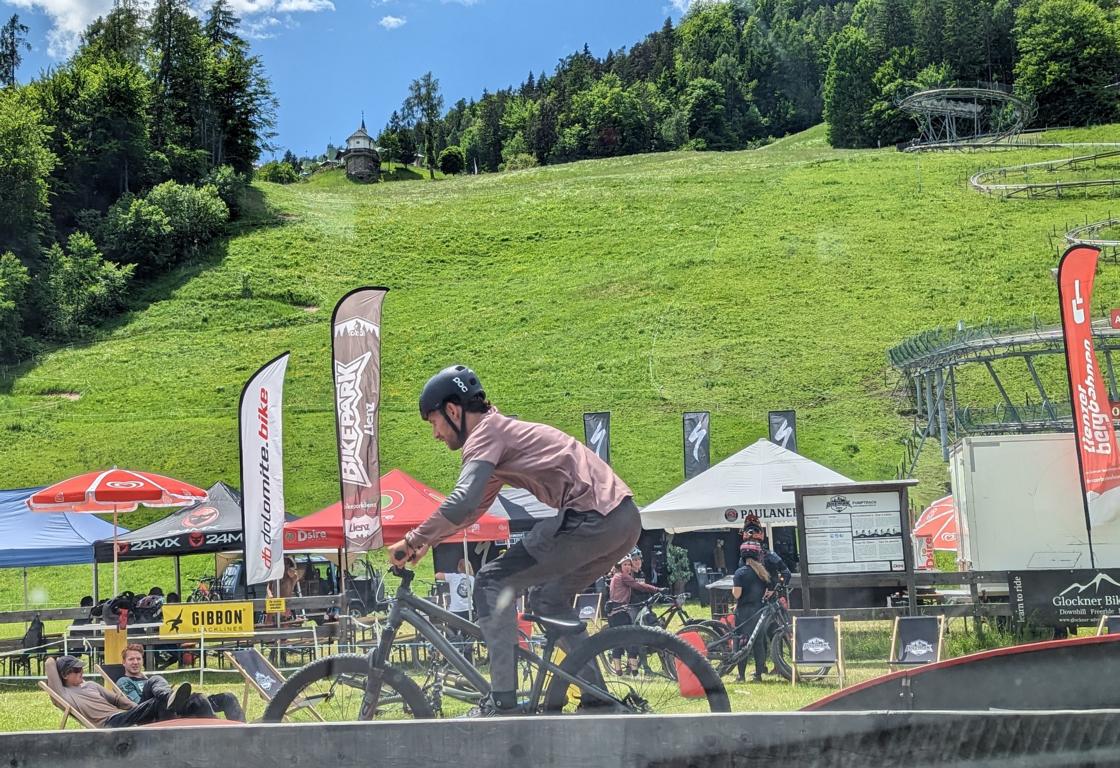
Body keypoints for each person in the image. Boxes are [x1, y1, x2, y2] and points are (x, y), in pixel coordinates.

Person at [388, 365, 641, 715]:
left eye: (433, 422)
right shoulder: (501, 436)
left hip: (593, 518)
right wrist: (426, 543)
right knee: (548, 600)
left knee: (491, 581)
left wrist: (412, 539)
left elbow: (461, 501)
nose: (435, 434)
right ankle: (598, 698)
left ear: (453, 411)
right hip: (622, 520)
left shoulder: (486, 434)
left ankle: (502, 702)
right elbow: (472, 511)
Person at [46, 655, 191, 728]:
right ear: (64, 675)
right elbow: (49, 663)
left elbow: (117, 700)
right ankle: (175, 710)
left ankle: (169, 697)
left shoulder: (91, 685)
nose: (81, 672)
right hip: (111, 723)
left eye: (81, 668)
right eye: (76, 670)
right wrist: (56, 659)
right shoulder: (63, 695)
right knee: (156, 703)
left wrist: (139, 709)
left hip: (125, 716)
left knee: (154, 680)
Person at [116, 644, 244, 721]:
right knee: (156, 679)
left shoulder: (147, 679)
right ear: (123, 663)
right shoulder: (124, 681)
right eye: (131, 659)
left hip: (174, 708)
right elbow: (137, 707)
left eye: (138, 659)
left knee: (223, 697)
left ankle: (244, 733)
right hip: (149, 713)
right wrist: (162, 696)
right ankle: (170, 697)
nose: (135, 662)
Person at [605, 548, 661, 675]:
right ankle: (635, 670)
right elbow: (638, 586)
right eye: (625, 564)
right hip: (621, 611)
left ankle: (621, 670)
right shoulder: (623, 576)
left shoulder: (618, 576)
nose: (628, 566)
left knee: (619, 640)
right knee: (632, 638)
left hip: (615, 611)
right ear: (620, 566)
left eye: (629, 564)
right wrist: (657, 589)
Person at [731, 541, 775, 683]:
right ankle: (758, 674)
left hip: (743, 612)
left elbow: (737, 594)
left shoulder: (740, 573)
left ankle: (741, 676)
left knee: (742, 642)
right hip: (759, 611)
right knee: (758, 643)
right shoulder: (762, 573)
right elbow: (769, 590)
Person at [435, 559, 476, 662]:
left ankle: (447, 659)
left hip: (455, 611)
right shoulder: (472, 579)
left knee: (450, 635)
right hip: (468, 611)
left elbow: (437, 575)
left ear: (459, 567)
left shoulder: (453, 577)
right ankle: (468, 661)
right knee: (467, 638)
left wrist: (446, 573)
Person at [742, 514, 792, 588]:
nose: (752, 544)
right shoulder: (743, 558)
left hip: (769, 590)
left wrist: (777, 588)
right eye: (749, 542)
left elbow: (786, 573)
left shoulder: (770, 556)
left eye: (754, 541)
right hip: (752, 592)